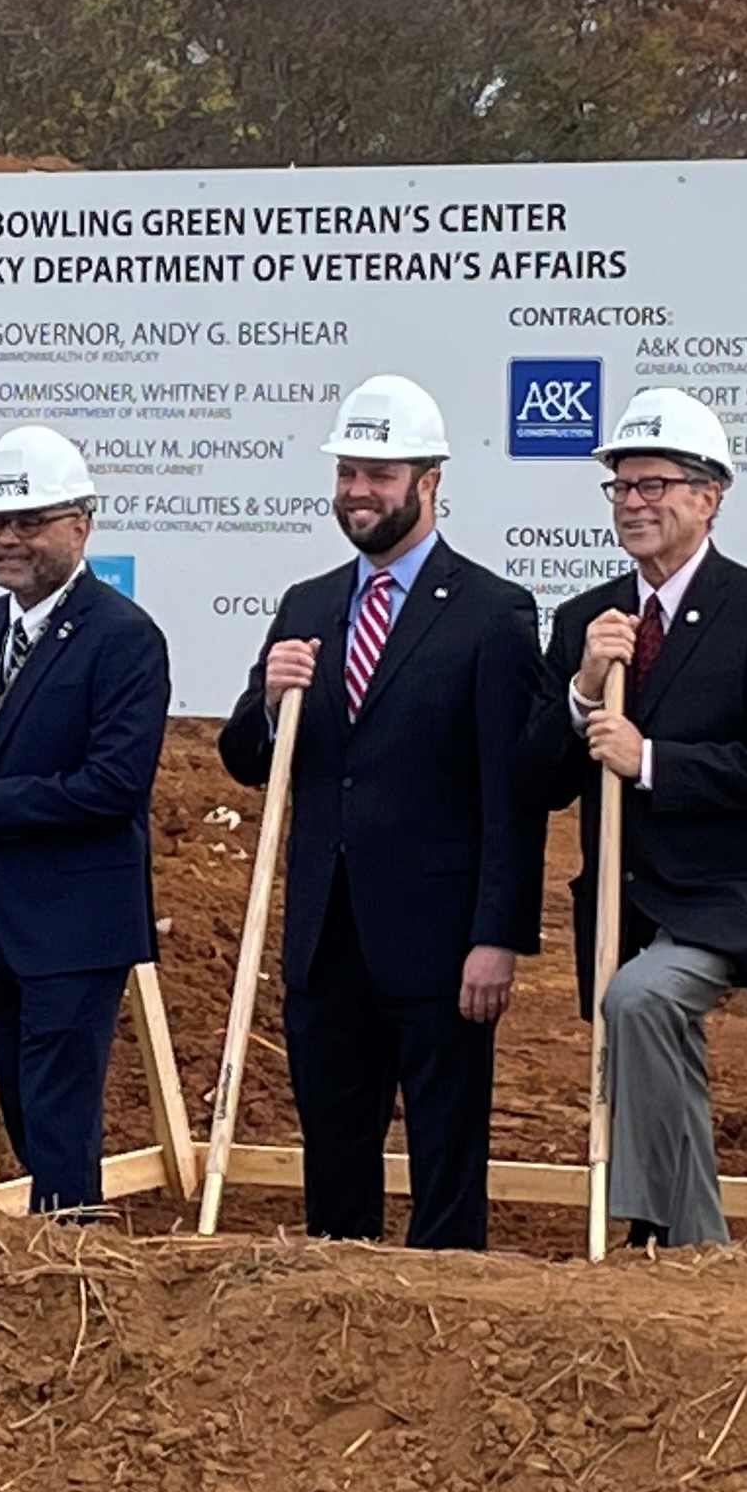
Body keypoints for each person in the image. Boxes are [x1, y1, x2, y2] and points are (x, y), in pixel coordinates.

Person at [216, 375, 544, 1251]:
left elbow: (510, 792)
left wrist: (497, 934)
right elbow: (249, 760)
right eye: (349, 473)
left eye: (381, 474)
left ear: (428, 480)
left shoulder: (492, 615)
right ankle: (339, 1301)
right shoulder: (308, 607)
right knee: (333, 1144)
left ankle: (445, 1310)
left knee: (445, 1150)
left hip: (441, 940)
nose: (360, 491)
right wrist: (268, 701)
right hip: (328, 933)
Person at [524, 389, 747, 1250]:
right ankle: (682, 1241)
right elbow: (543, 779)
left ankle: (681, 1241)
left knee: (643, 1000)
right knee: (648, 1027)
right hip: (626, 899)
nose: (634, 501)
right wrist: (583, 693)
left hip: (731, 893)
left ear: (710, 494)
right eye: (621, 486)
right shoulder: (592, 619)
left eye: (655, 483)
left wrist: (651, 761)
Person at [0, 424, 169, 1215]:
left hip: (77, 916)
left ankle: (72, 1246)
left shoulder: (126, 639)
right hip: (2, 910)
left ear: (81, 524)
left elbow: (114, 785)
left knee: (59, 1096)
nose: (9, 540)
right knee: (22, 1082)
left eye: (29, 522)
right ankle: (67, 1221)